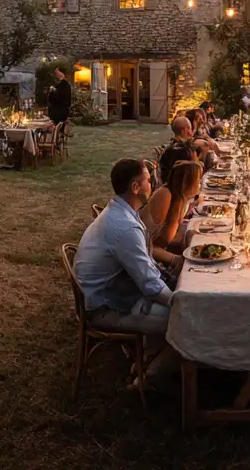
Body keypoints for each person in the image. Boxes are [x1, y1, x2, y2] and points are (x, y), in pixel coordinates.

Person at [74, 159, 177, 385]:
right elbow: (150, 284)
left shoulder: (119, 211)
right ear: (135, 188)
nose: (153, 185)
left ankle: (145, 358)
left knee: (173, 305)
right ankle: (149, 379)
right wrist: (180, 302)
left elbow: (146, 271)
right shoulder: (124, 227)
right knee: (181, 321)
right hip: (103, 307)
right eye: (148, 181)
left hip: (114, 293)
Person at [145, 160, 200, 267]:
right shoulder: (166, 195)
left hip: (155, 247)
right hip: (148, 251)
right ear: (187, 182)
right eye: (197, 180)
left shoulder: (177, 195)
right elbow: (159, 243)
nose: (199, 183)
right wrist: (176, 258)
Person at [158, 114, 195, 181]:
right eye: (190, 129)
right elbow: (192, 173)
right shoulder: (182, 150)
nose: (191, 132)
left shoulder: (171, 147)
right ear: (184, 131)